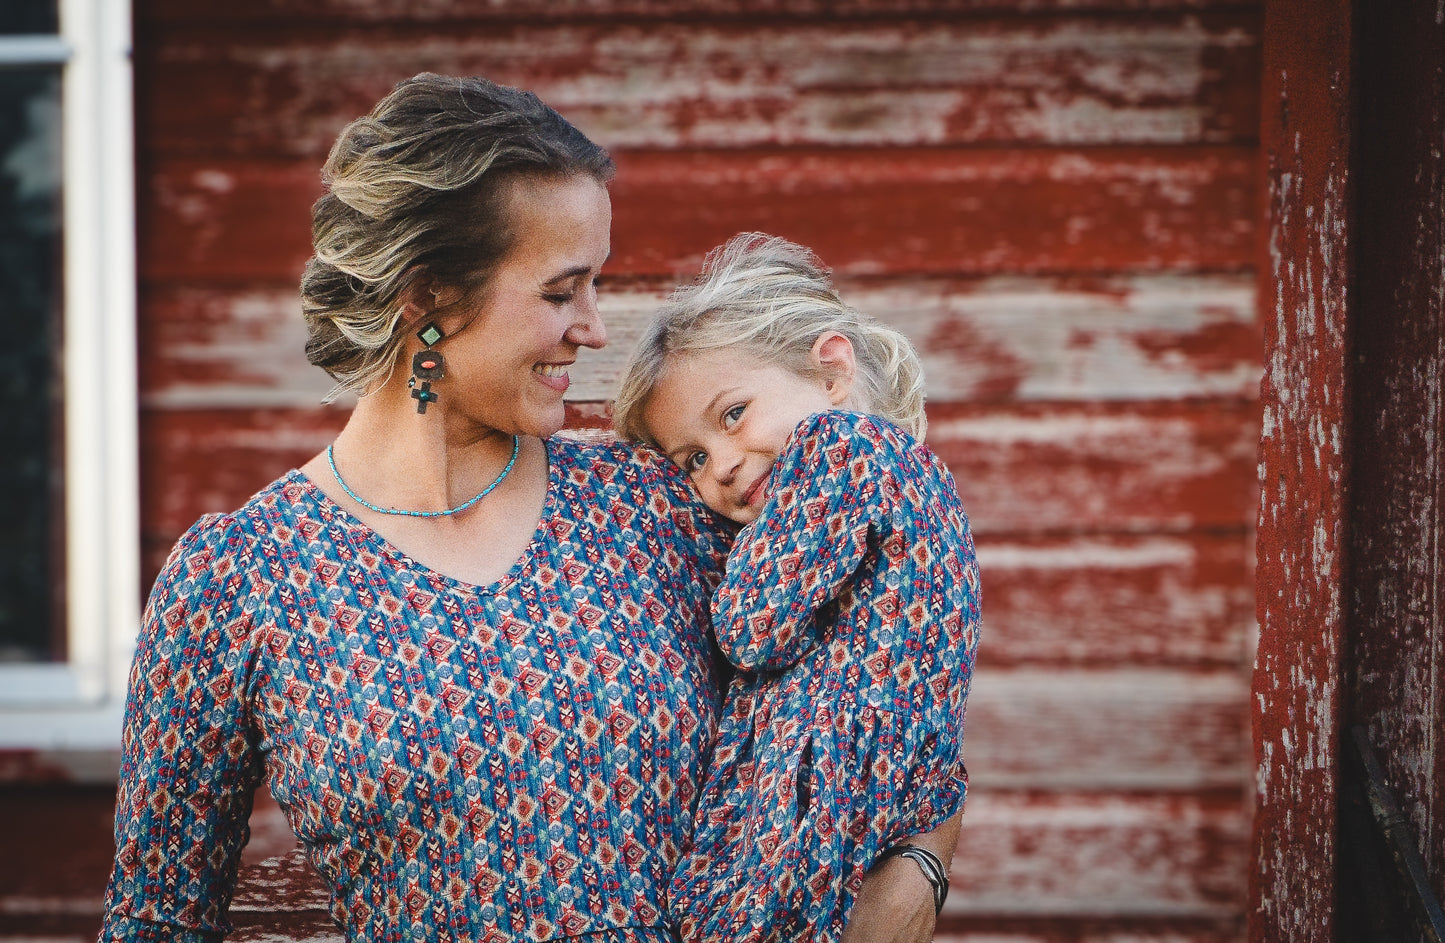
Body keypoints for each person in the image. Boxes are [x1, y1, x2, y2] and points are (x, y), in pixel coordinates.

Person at [99, 75, 955, 942]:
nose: (593, 327)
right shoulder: (239, 579)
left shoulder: (656, 500)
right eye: (560, 291)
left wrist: (915, 874)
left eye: (594, 285)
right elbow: (155, 920)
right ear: (428, 297)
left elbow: (896, 679)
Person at [613, 233, 981, 943]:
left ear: (830, 370)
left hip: (821, 789)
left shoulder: (841, 449)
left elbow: (753, 625)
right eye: (690, 457)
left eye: (732, 414)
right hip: (873, 786)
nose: (719, 464)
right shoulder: (915, 476)